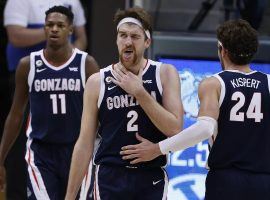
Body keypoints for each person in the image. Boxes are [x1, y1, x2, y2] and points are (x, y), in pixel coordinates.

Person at [120, 19, 270, 200]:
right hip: (263, 180)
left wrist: (158, 148)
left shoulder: (214, 83)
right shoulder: (268, 83)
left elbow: (205, 128)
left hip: (226, 180)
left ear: (222, 50)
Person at [65, 7, 183, 200]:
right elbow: (85, 143)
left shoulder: (165, 73)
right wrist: (70, 196)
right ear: (117, 39)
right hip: (110, 176)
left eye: (135, 36)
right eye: (123, 35)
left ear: (147, 41)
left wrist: (139, 93)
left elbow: (175, 129)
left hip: (150, 176)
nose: (128, 41)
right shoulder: (97, 81)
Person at [0, 6, 99, 200]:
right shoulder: (27, 65)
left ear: (70, 30)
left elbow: (101, 113)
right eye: (49, 25)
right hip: (41, 153)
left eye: (60, 25)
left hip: (78, 150)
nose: (54, 29)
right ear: (44, 29)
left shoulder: (86, 64)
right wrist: (1, 157)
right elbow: (16, 114)